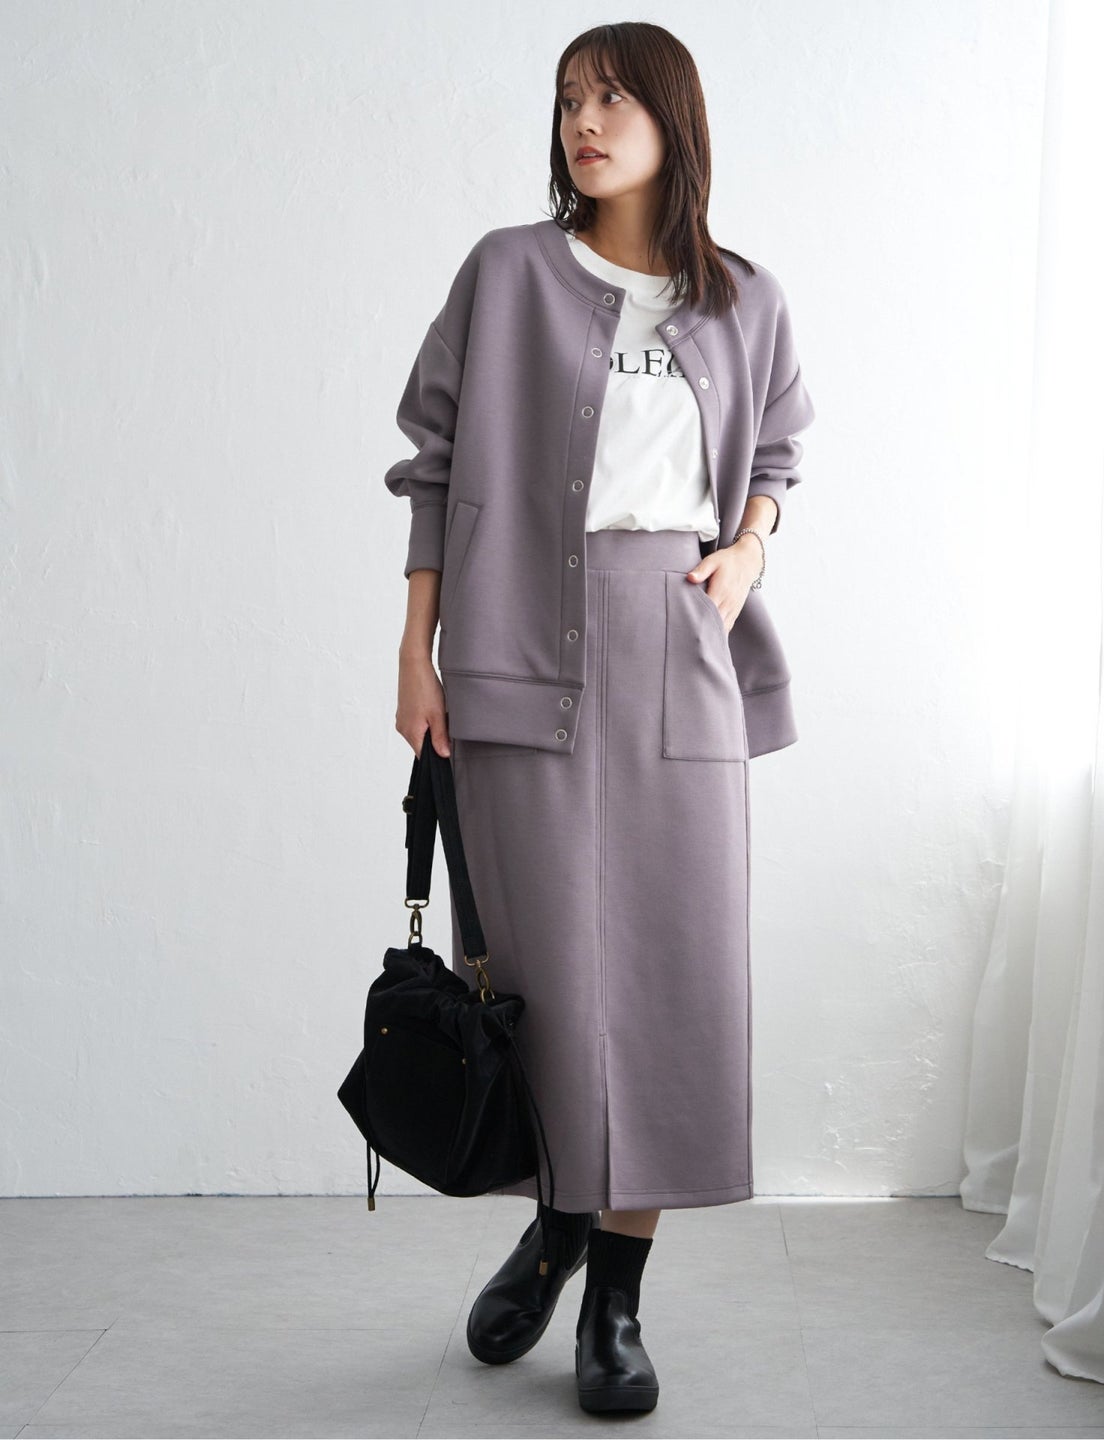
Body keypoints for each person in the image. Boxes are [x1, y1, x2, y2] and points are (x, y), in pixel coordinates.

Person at [385, 21, 816, 1415]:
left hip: (677, 646)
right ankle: (555, 1224)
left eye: (614, 98)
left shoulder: (746, 301)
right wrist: (417, 652)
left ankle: (614, 1297)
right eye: (571, 99)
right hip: (515, 645)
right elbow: (434, 461)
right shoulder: (507, 272)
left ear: (672, 119)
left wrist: (748, 551)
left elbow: (781, 451)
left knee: (671, 982)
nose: (585, 120)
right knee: (544, 981)